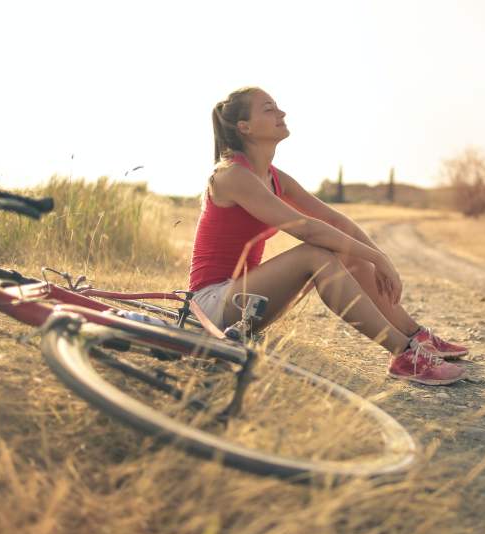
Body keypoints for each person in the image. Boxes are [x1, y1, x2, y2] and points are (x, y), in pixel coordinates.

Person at [188, 86, 469, 385]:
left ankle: (416, 336)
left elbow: (333, 219)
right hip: (210, 305)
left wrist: (378, 258)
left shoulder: (273, 176)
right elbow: (306, 227)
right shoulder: (231, 175)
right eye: (269, 109)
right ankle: (403, 354)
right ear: (244, 127)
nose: (281, 113)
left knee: (347, 251)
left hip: (248, 303)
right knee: (316, 253)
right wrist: (376, 257)